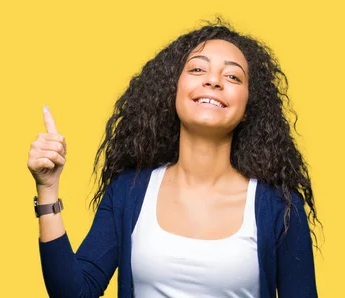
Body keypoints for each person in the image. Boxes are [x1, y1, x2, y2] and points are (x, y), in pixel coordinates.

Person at [27, 19, 319, 298]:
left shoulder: (281, 207)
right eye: (197, 70)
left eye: (232, 76)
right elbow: (75, 292)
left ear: (247, 108)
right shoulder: (129, 191)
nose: (214, 81)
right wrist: (48, 189)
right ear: (174, 91)